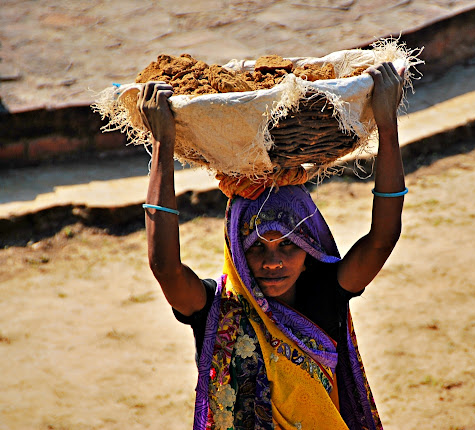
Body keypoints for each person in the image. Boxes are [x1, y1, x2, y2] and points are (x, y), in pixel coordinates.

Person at [137, 61, 406, 430]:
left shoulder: (325, 293)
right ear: (235, 248)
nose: (273, 262)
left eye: (289, 247)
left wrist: (387, 125)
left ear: (310, 250)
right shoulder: (219, 309)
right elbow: (165, 267)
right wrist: (162, 144)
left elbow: (382, 239)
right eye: (256, 248)